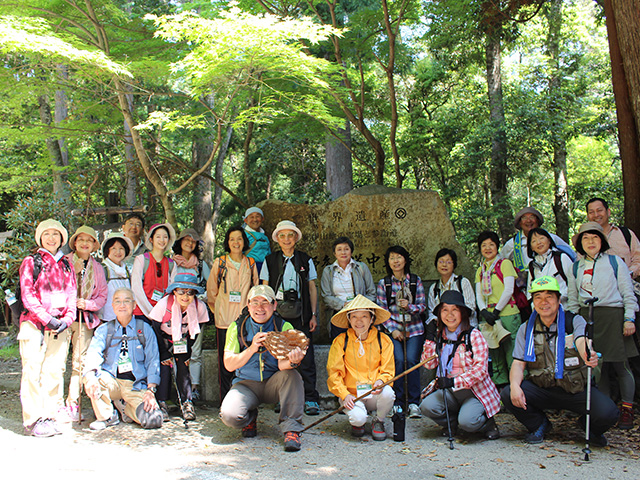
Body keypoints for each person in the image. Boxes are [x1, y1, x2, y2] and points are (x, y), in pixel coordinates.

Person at [502, 276, 619, 445]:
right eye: (538, 297)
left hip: (575, 389)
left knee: (608, 413)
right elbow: (519, 363)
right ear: (533, 302)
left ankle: (589, 428)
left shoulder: (574, 321)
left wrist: (588, 353)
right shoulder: (526, 328)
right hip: (542, 387)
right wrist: (514, 386)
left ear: (558, 299)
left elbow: (581, 340)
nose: (544, 302)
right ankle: (539, 424)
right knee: (508, 393)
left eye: (549, 296)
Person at [567, 222, 638, 429]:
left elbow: (627, 293)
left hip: (613, 316)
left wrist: (629, 318)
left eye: (595, 237)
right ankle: (606, 409)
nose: (590, 242)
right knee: (597, 366)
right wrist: (573, 324)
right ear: (580, 243)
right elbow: (572, 298)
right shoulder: (576, 266)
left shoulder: (615, 262)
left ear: (602, 241)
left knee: (621, 365)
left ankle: (627, 408)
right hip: (587, 318)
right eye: (586, 238)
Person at [219, 285, 306, 452]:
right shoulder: (237, 327)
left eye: (265, 302)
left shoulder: (283, 326)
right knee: (229, 416)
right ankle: (249, 416)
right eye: (255, 302)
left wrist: (294, 360)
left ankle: (292, 429)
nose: (260, 308)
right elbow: (229, 365)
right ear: (248, 305)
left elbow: (282, 365)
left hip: (273, 383)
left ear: (274, 305)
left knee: (292, 375)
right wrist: (251, 348)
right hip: (245, 385)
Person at [17, 219, 76, 437]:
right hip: (34, 324)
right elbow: (28, 294)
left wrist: (68, 319)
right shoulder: (31, 262)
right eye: (46, 234)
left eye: (55, 234)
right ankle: (33, 419)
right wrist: (45, 318)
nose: (51, 238)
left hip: (59, 326)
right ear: (40, 237)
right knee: (32, 371)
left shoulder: (66, 264)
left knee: (54, 370)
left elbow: (72, 293)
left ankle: (50, 415)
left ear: (62, 238)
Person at [420, 290, 500, 440]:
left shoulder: (474, 335)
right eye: (445, 310)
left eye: (454, 310)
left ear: (462, 312)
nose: (449, 315)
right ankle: (452, 423)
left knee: (468, 422)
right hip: (449, 390)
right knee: (427, 406)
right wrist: (430, 339)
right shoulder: (440, 335)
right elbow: (429, 364)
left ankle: (487, 424)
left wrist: (453, 381)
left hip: (474, 391)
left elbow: (481, 371)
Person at [261, 220, 320, 415]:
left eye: (290, 235)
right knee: (280, 354)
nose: (286, 239)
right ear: (277, 239)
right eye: (282, 236)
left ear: (296, 238)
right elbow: (265, 288)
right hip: (278, 314)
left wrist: (313, 314)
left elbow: (312, 287)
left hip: (301, 313)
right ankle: (282, 397)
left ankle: (311, 398)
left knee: (306, 355)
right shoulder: (270, 260)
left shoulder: (305, 259)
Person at [82, 288, 163, 431]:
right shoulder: (105, 329)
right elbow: (93, 353)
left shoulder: (145, 329)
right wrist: (89, 375)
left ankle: (126, 409)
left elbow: (153, 360)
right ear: (112, 306)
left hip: (136, 384)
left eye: (127, 301)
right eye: (118, 301)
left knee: (153, 419)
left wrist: (151, 390)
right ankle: (106, 416)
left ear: (134, 305)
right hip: (112, 381)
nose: (122, 305)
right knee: (91, 377)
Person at [327, 295, 395, 440]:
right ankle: (359, 422)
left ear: (371, 319)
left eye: (364, 316)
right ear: (349, 319)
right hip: (352, 395)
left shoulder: (383, 340)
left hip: (374, 393)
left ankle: (379, 421)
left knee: (388, 392)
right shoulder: (340, 341)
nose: (359, 321)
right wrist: (344, 395)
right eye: (354, 317)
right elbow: (334, 374)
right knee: (358, 418)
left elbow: (388, 370)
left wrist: (381, 381)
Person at [208, 226, 259, 404]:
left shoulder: (250, 263)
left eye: (239, 238)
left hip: (245, 322)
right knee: (225, 363)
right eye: (232, 239)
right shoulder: (220, 263)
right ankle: (225, 401)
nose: (236, 242)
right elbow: (211, 293)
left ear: (244, 241)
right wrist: (219, 312)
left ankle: (243, 401)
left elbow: (255, 291)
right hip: (224, 321)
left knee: (244, 361)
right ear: (227, 242)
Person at [62, 225, 108, 422]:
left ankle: (73, 402)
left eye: (89, 240)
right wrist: (74, 271)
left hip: (84, 318)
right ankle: (54, 404)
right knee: (57, 362)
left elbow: (102, 295)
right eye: (81, 239)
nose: (85, 243)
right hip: (62, 318)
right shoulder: (64, 262)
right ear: (74, 242)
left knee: (79, 363)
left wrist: (87, 304)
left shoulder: (98, 267)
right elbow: (58, 288)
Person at [149, 273, 209, 421]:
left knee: (183, 366)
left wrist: (187, 350)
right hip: (162, 339)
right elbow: (155, 329)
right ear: (174, 291)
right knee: (163, 367)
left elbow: (197, 331)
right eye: (181, 291)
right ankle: (162, 402)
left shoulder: (199, 306)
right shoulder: (164, 304)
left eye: (190, 292)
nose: (185, 296)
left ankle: (187, 403)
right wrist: (163, 353)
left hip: (183, 340)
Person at [376, 246, 427, 419]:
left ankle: (414, 402)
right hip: (394, 329)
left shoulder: (415, 281)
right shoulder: (384, 284)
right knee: (397, 360)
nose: (396, 261)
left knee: (412, 360)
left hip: (414, 328)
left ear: (405, 260)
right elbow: (381, 311)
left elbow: (422, 306)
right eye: (392, 258)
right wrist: (393, 329)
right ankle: (397, 402)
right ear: (388, 262)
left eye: (399, 257)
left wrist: (409, 307)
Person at [475, 231, 521, 387]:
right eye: (484, 245)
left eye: (491, 245)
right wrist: (483, 312)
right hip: (488, 316)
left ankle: (518, 388)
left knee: (511, 352)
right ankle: (500, 389)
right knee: (495, 353)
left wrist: (496, 312)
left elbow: (509, 290)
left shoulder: (505, 264)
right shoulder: (481, 270)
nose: (488, 248)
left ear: (497, 246)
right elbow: (479, 294)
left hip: (507, 313)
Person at [172, 228, 211, 400]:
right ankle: (177, 387)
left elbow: (211, 286)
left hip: (197, 312)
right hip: (175, 313)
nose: (189, 243)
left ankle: (194, 387)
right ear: (179, 242)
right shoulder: (172, 263)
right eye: (186, 240)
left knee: (195, 351)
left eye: (193, 241)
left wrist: (202, 296)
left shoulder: (201, 265)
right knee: (176, 349)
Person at [320, 236, 376, 340]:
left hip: (360, 314)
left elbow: (372, 293)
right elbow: (326, 296)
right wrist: (343, 305)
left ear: (351, 251)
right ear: (334, 253)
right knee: (341, 346)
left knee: (360, 346)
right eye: (339, 249)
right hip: (339, 314)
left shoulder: (361, 267)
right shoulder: (328, 271)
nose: (343, 252)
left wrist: (359, 305)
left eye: (346, 249)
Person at [500, 206, 573, 271]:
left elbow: (571, 254)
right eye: (524, 218)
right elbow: (501, 262)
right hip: (523, 283)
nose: (528, 220)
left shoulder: (551, 237)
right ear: (520, 223)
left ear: (538, 221)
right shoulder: (512, 243)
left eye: (532, 217)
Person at [131, 222, 176, 324]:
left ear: (168, 240)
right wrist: (151, 311)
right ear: (151, 239)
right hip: (142, 312)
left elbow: (172, 290)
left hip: (164, 313)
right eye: (158, 237)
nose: (162, 240)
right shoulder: (141, 260)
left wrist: (162, 311)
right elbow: (136, 288)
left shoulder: (171, 264)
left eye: (165, 237)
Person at [584, 197, 640, 278]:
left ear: (608, 212)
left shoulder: (626, 234)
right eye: (591, 212)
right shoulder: (584, 240)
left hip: (626, 287)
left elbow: (638, 259)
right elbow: (580, 266)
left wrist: (628, 274)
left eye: (599, 210)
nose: (596, 215)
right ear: (588, 216)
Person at [427, 248, 477, 327]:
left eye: (448, 262)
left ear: (454, 265)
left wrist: (453, 320)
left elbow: (471, 307)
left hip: (465, 327)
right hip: (444, 330)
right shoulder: (434, 288)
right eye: (441, 261)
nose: (444, 265)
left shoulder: (462, 283)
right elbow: (432, 312)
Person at [525, 228, 573, 307]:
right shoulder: (532, 266)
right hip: (542, 312)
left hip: (564, 308)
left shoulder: (561, 258)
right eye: (534, 241)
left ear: (549, 240)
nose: (539, 242)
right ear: (531, 247)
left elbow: (573, 284)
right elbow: (530, 290)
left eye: (541, 238)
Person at [100, 232, 134, 322]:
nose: (118, 252)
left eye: (121, 248)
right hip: (107, 320)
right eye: (113, 248)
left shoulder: (127, 270)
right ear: (107, 250)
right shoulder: (102, 269)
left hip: (125, 320)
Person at [242, 207, 271, 272]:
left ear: (262, 219)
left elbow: (269, 254)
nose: (255, 219)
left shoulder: (265, 237)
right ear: (246, 220)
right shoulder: (242, 235)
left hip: (265, 268)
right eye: (251, 217)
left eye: (257, 216)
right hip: (249, 268)